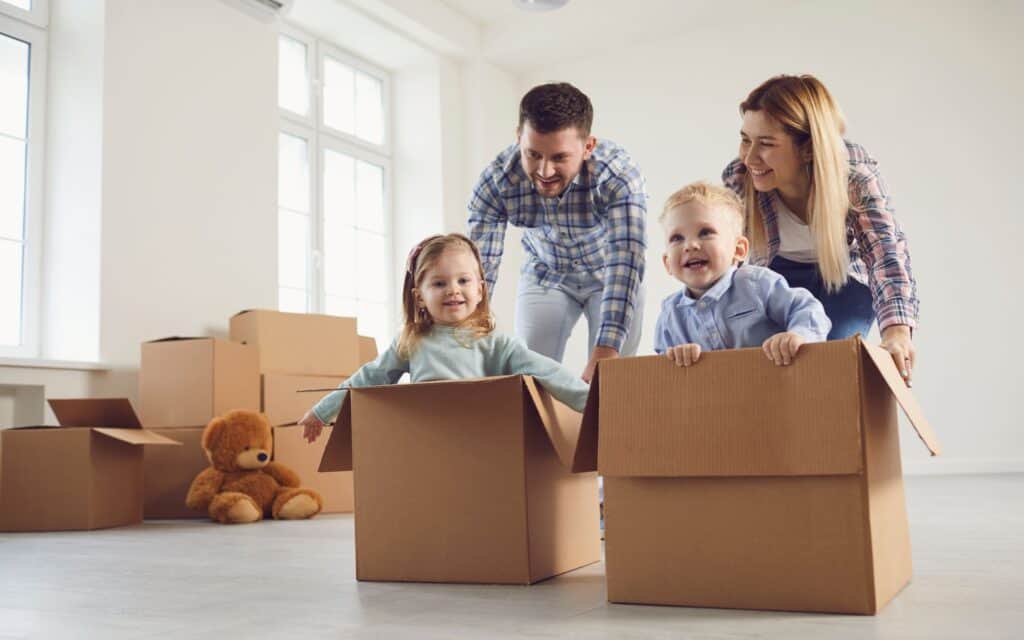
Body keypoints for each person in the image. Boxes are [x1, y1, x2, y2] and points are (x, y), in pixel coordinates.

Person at [722, 74, 919, 384]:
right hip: (777, 277)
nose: (749, 157)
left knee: (827, 365)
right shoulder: (739, 178)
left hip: (841, 279)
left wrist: (896, 333)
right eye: (745, 139)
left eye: (766, 144)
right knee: (768, 363)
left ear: (808, 149)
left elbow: (886, 253)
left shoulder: (853, 175)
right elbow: (727, 264)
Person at [299, 233, 590, 442]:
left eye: (463, 281)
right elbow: (368, 377)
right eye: (439, 283)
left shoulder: (498, 346)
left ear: (480, 290)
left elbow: (549, 373)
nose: (453, 290)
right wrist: (322, 411)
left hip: (482, 443)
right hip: (427, 442)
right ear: (420, 297)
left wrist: (594, 405)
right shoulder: (411, 342)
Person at [468, 82, 646, 382]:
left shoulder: (618, 175)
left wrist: (606, 349)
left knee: (613, 380)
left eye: (560, 158)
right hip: (545, 272)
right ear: (518, 138)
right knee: (530, 376)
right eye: (533, 154)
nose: (544, 171)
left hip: (609, 275)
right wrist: (464, 337)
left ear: (588, 146)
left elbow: (626, 258)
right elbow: (478, 269)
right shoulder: (497, 181)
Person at [654, 181, 830, 367]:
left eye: (705, 233)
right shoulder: (670, 315)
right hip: (713, 395)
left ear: (738, 250)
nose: (690, 245)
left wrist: (797, 335)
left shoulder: (756, 284)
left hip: (774, 386)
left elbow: (807, 309)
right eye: (677, 238)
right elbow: (662, 372)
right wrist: (675, 359)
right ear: (667, 264)